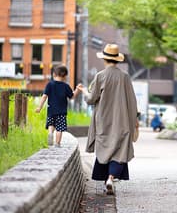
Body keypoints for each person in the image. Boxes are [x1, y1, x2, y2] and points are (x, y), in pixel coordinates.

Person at [78, 43, 139, 195]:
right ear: (117, 60)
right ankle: (111, 178)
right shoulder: (125, 77)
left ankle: (107, 179)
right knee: (119, 153)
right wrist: (134, 121)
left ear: (105, 59)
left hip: (103, 121)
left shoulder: (100, 76)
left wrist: (85, 91)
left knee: (105, 150)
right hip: (122, 121)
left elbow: (91, 99)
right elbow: (132, 101)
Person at [36, 64, 81, 147]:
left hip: (51, 110)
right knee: (59, 129)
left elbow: (44, 96)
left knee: (51, 124)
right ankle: (57, 143)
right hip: (61, 112)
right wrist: (77, 90)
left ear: (54, 74)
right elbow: (71, 97)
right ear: (65, 76)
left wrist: (39, 107)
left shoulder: (50, 84)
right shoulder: (66, 86)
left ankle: (50, 133)